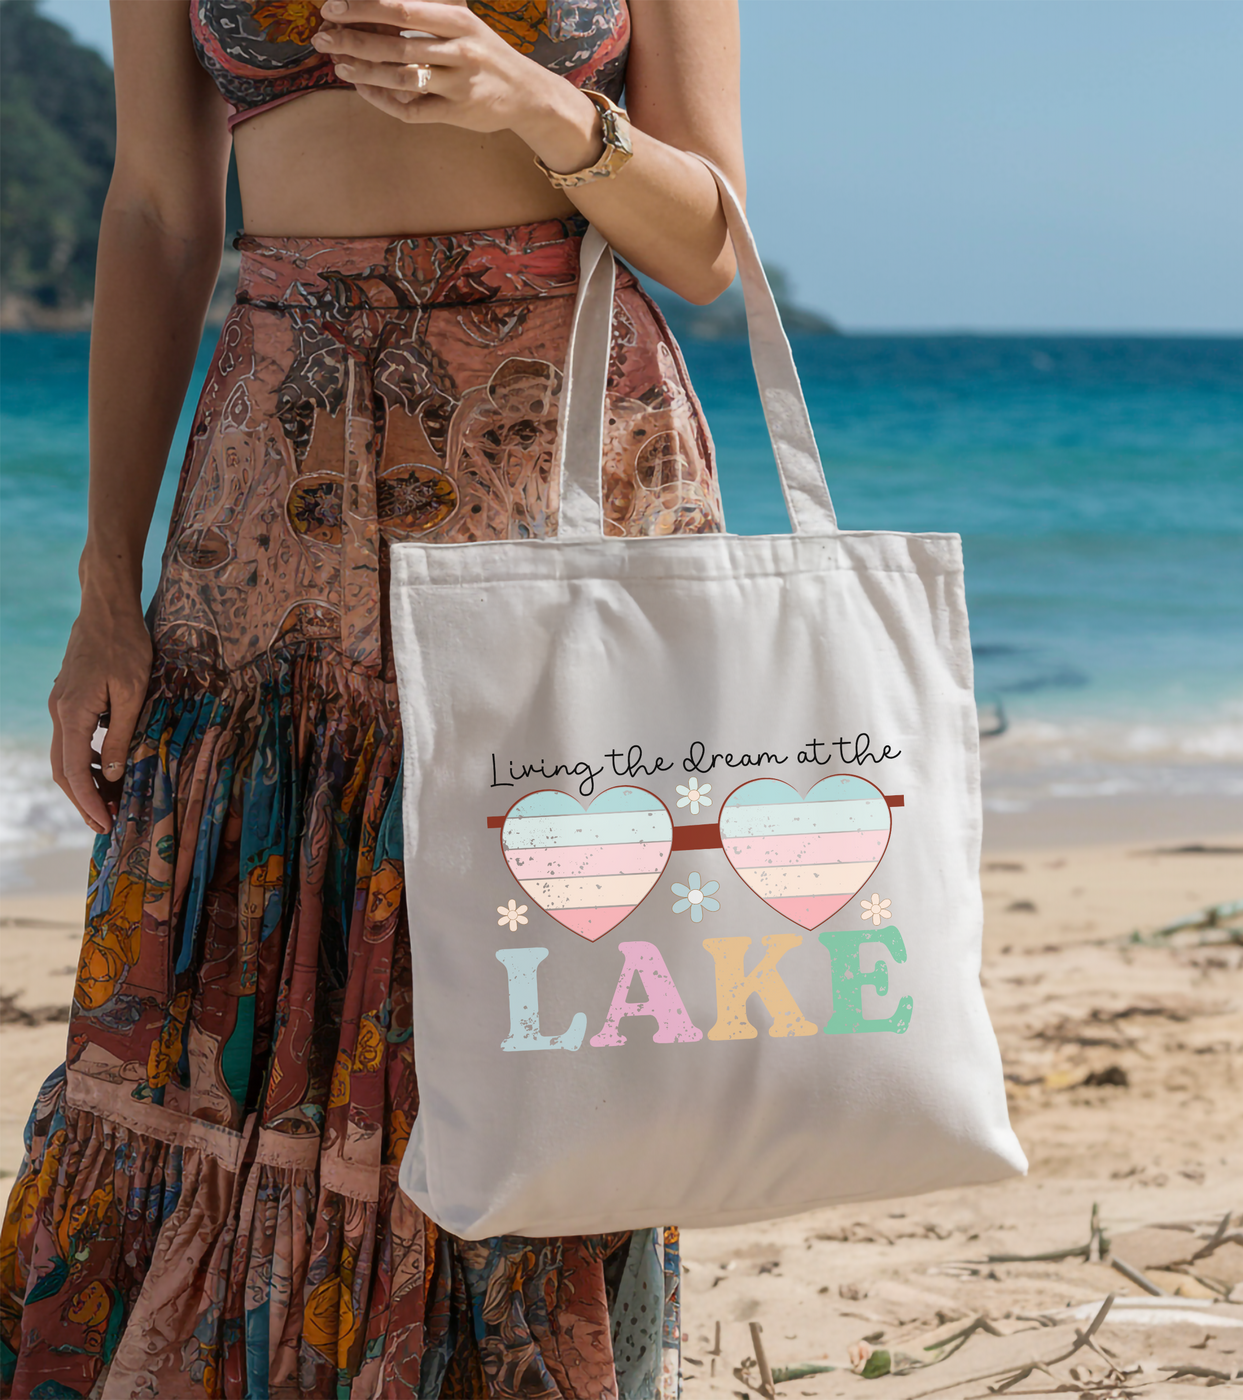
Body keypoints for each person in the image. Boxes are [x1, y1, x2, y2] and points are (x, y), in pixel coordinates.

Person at [0, 0, 741, 1393]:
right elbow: (162, 209)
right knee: (230, 984)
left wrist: (526, 95)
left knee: (555, 992)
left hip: (562, 466)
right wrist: (107, 585)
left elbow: (706, 240)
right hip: (269, 493)